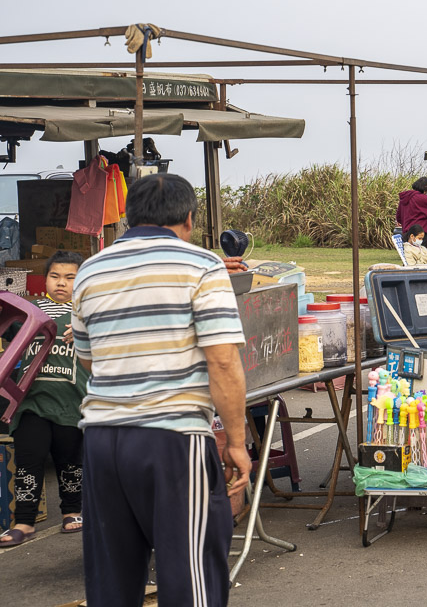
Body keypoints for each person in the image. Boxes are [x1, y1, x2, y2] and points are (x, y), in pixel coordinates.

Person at [72, 173, 251, 605]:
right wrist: (238, 441)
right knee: (190, 580)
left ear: (129, 218)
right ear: (188, 218)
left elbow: (88, 358)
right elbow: (223, 361)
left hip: (100, 441)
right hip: (171, 440)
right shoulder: (202, 265)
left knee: (111, 582)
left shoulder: (89, 269)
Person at [0, 251, 87, 548]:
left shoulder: (88, 313)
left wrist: (86, 330)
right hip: (32, 403)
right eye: (54, 276)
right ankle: (23, 522)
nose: (61, 283)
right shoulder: (31, 310)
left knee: (70, 462)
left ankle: (72, 511)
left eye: (70, 277)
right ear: (45, 279)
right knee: (28, 461)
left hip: (72, 403)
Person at [395, 176, 427, 240]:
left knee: (408, 250)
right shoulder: (422, 198)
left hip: (407, 233)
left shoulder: (404, 198)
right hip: (421, 233)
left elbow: (399, 217)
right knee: (422, 250)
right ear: (426, 188)